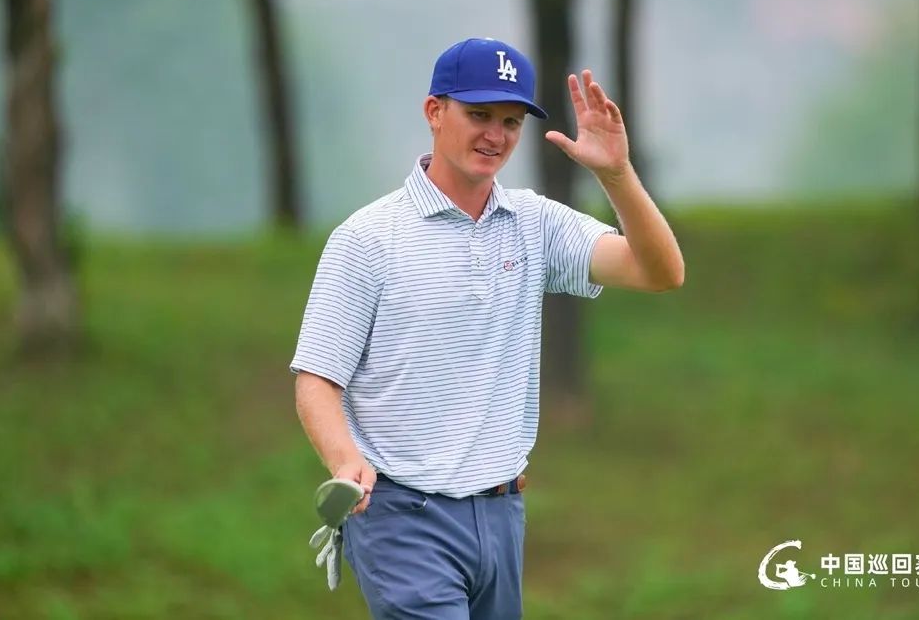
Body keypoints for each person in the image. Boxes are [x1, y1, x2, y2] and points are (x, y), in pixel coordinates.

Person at [291, 37, 684, 619]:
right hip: (401, 519)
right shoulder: (368, 239)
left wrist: (618, 174)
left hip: (501, 515)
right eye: (479, 115)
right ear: (435, 111)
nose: (495, 135)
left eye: (510, 121)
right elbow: (316, 379)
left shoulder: (535, 222)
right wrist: (344, 459)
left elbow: (660, 272)